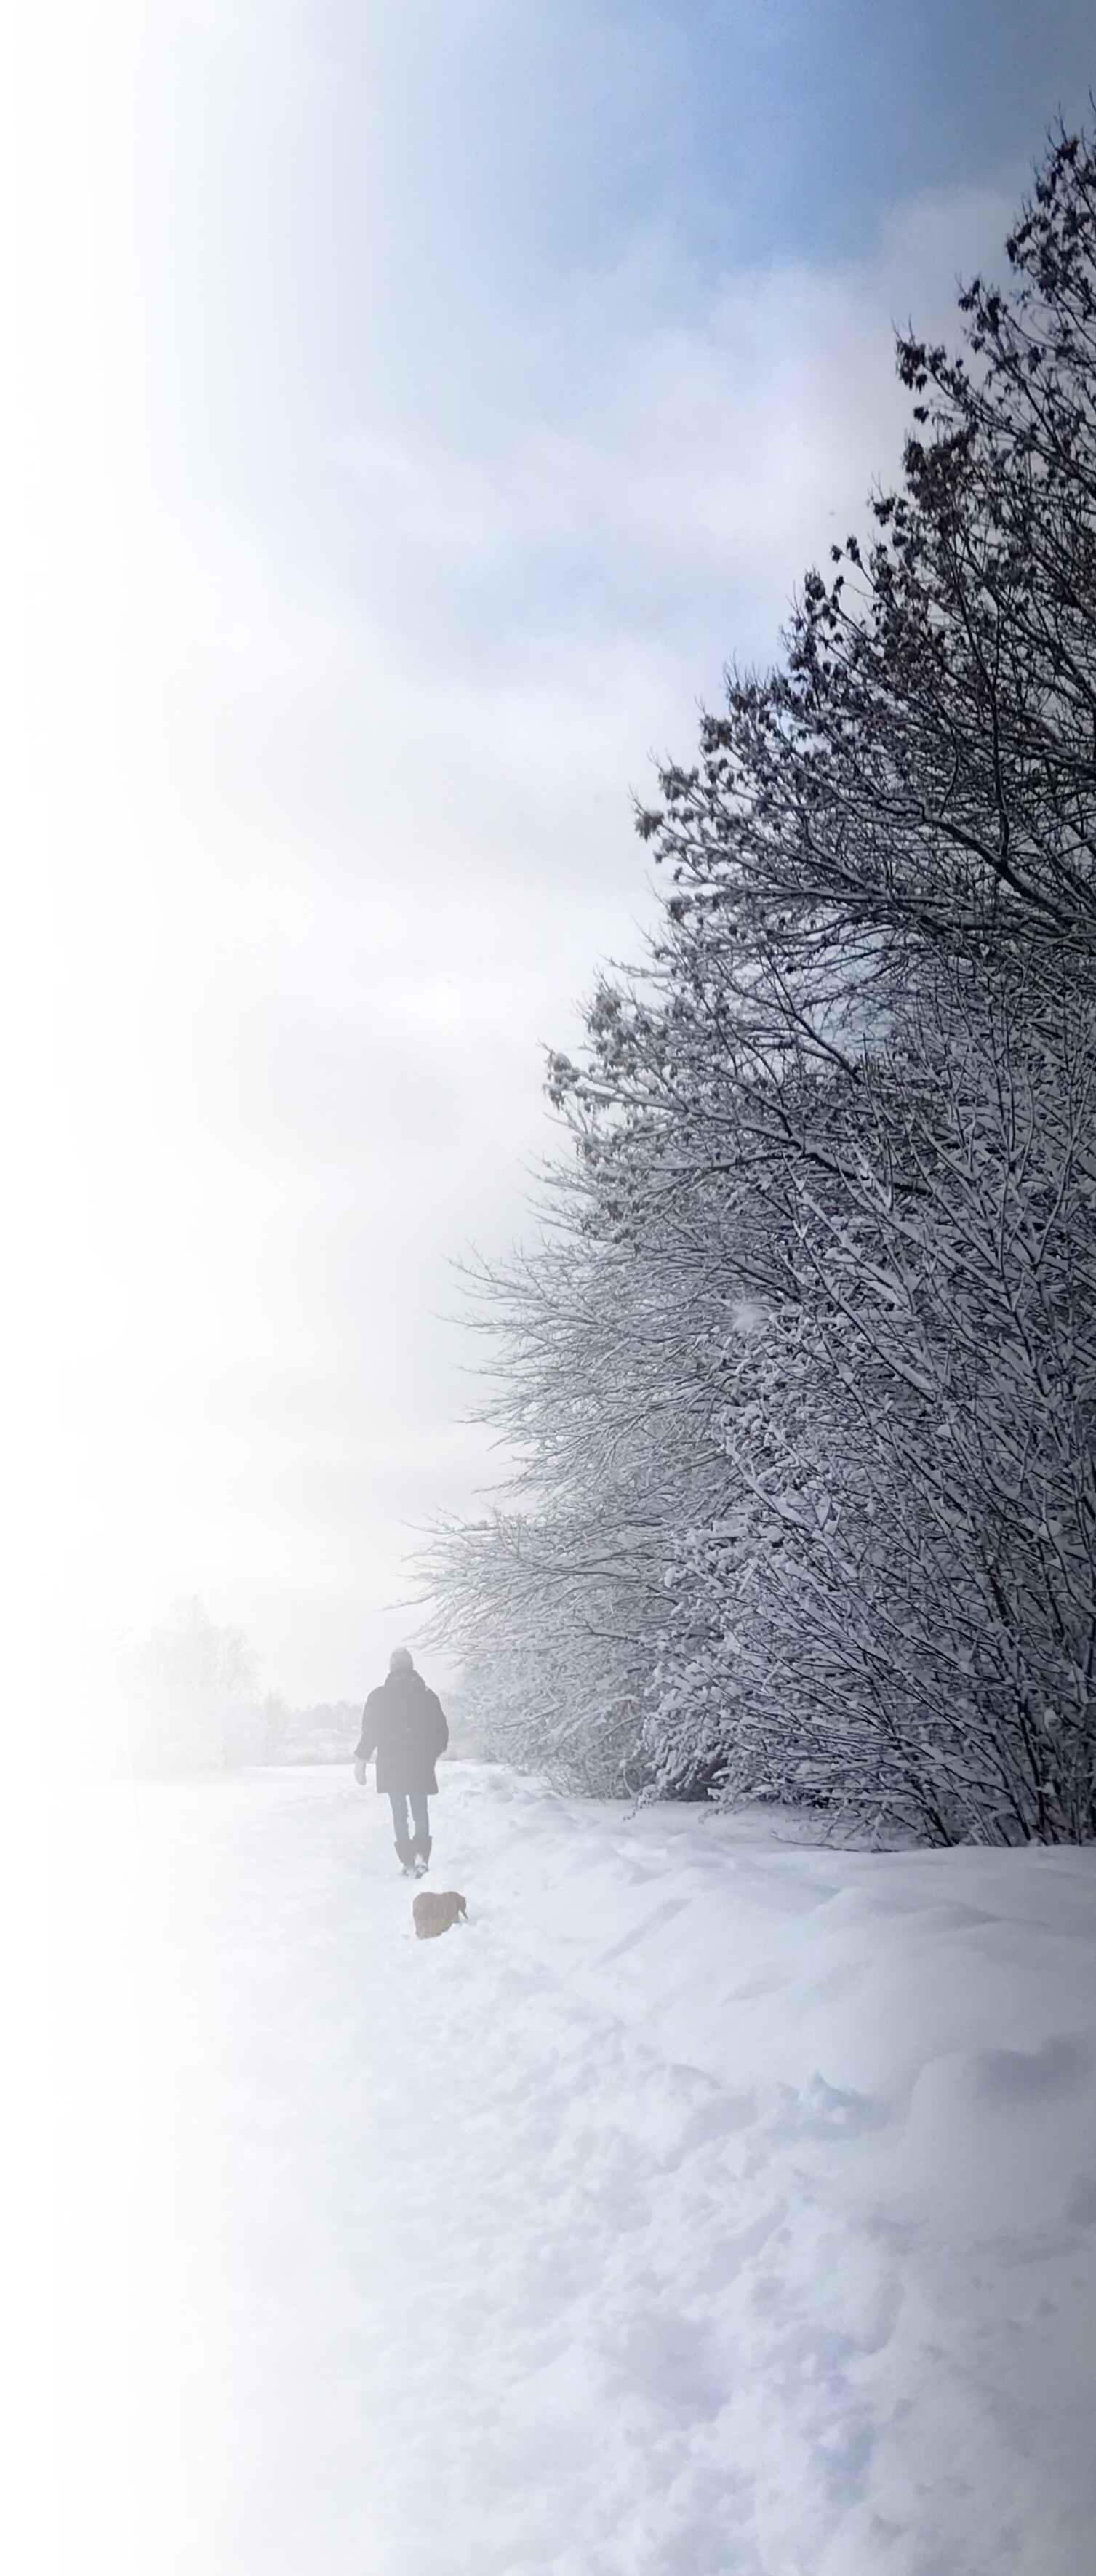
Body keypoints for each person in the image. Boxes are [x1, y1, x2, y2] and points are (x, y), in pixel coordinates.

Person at [353, 1647, 449, 1876]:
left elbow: (370, 1733)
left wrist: (361, 1759)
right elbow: (442, 1733)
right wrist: (430, 1755)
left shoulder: (378, 1697)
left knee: (399, 1814)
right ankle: (421, 1859)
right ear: (411, 1666)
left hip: (391, 1766)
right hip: (420, 1766)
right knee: (420, 1812)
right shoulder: (427, 1695)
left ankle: (407, 1862)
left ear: (391, 1668)